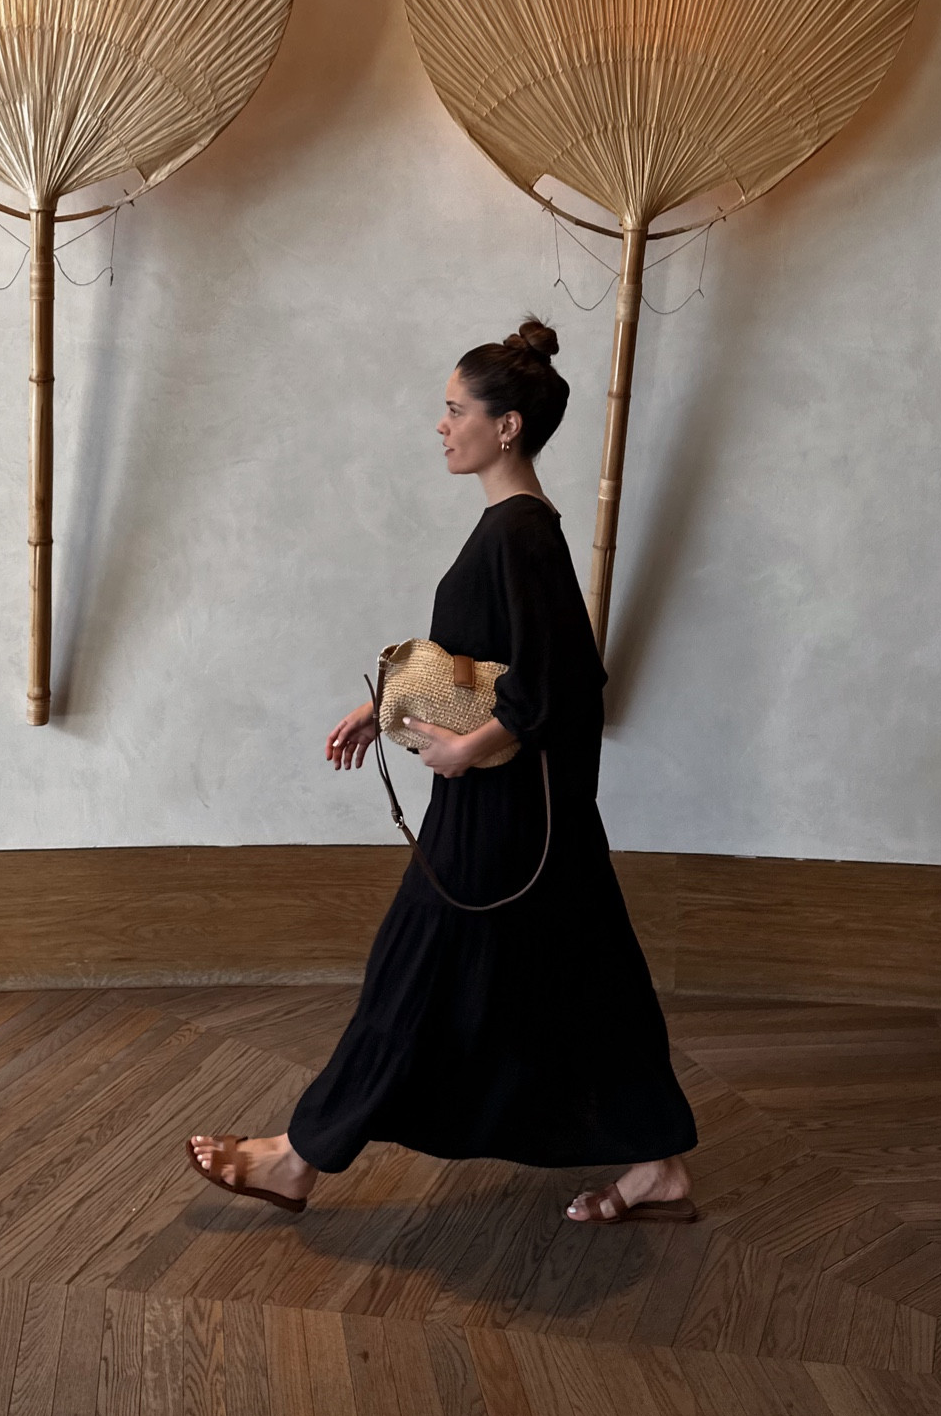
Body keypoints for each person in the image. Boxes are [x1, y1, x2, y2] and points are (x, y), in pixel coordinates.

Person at [188, 319, 698, 1225]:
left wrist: (466, 751)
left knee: (412, 971)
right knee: (589, 979)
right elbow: (475, 660)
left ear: (507, 428)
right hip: (524, 819)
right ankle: (657, 1164)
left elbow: (563, 683)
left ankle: (297, 1158)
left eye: (455, 409)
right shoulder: (511, 530)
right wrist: (381, 704)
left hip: (499, 819)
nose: (441, 425)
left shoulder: (521, 535)